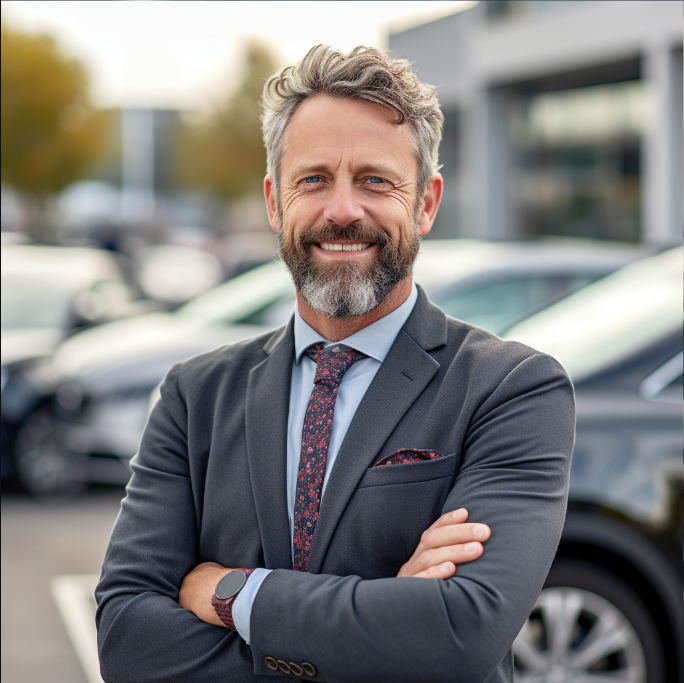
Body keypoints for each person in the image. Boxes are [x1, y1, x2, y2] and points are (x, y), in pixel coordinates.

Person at [96, 45, 575, 683]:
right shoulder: (194, 397)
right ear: (274, 202)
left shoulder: (512, 390)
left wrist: (234, 594)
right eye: (313, 178)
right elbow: (127, 638)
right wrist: (385, 624)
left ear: (426, 203)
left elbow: (460, 633)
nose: (342, 209)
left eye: (375, 180)